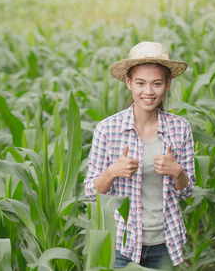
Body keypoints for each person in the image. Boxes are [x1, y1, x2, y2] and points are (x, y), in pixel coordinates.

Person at [84, 41, 196, 270]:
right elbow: (91, 193)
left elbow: (187, 191)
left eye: (156, 83)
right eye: (140, 83)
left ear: (167, 84)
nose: (148, 91)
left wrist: (178, 172)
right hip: (121, 246)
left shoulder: (180, 128)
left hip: (165, 243)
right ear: (128, 82)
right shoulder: (107, 129)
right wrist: (113, 171)